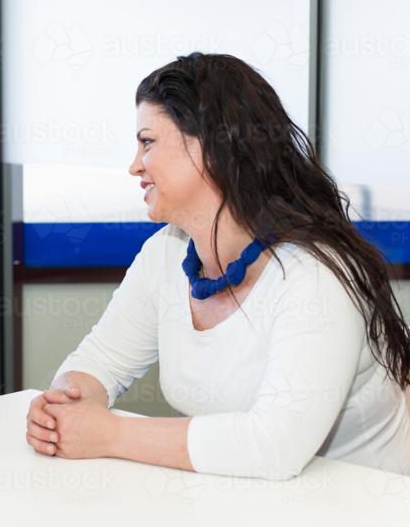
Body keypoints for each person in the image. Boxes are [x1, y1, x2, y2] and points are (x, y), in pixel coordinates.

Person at [25, 52, 410, 480]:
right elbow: (100, 360)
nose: (134, 166)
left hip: (364, 504)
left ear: (212, 148)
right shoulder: (165, 253)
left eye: (148, 142)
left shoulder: (317, 275)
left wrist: (110, 434)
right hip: (240, 497)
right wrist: (65, 406)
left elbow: (275, 445)